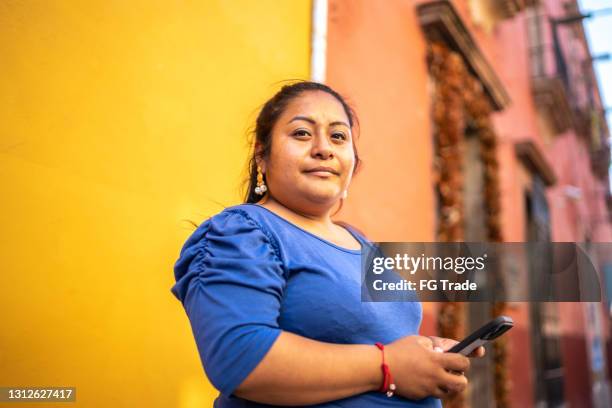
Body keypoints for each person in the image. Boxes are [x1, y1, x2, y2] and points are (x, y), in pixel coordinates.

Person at [171, 81, 484, 407]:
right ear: (261, 155)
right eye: (302, 133)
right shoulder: (243, 232)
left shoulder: (362, 244)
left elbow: (375, 338)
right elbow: (239, 357)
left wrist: (424, 354)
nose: (324, 148)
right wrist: (387, 364)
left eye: (338, 136)